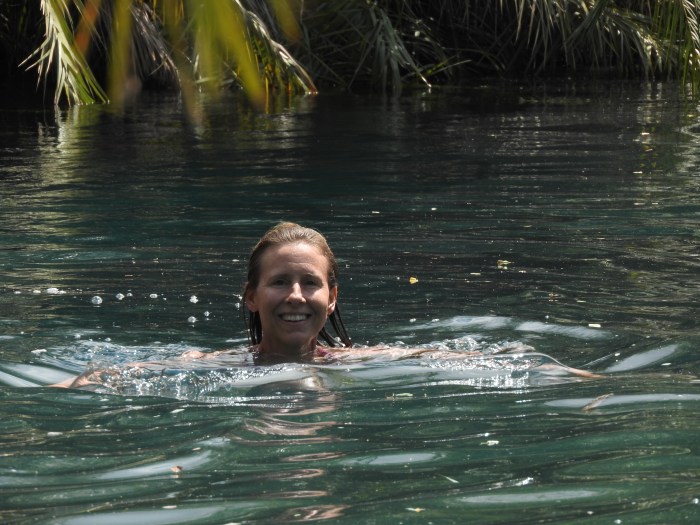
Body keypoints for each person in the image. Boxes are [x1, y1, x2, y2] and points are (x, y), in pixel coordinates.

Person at [54, 221, 597, 388]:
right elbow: (117, 374)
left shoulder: (360, 362)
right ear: (251, 296)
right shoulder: (213, 365)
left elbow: (452, 358)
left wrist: (552, 371)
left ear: (331, 298)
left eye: (310, 283)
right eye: (279, 282)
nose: (296, 296)